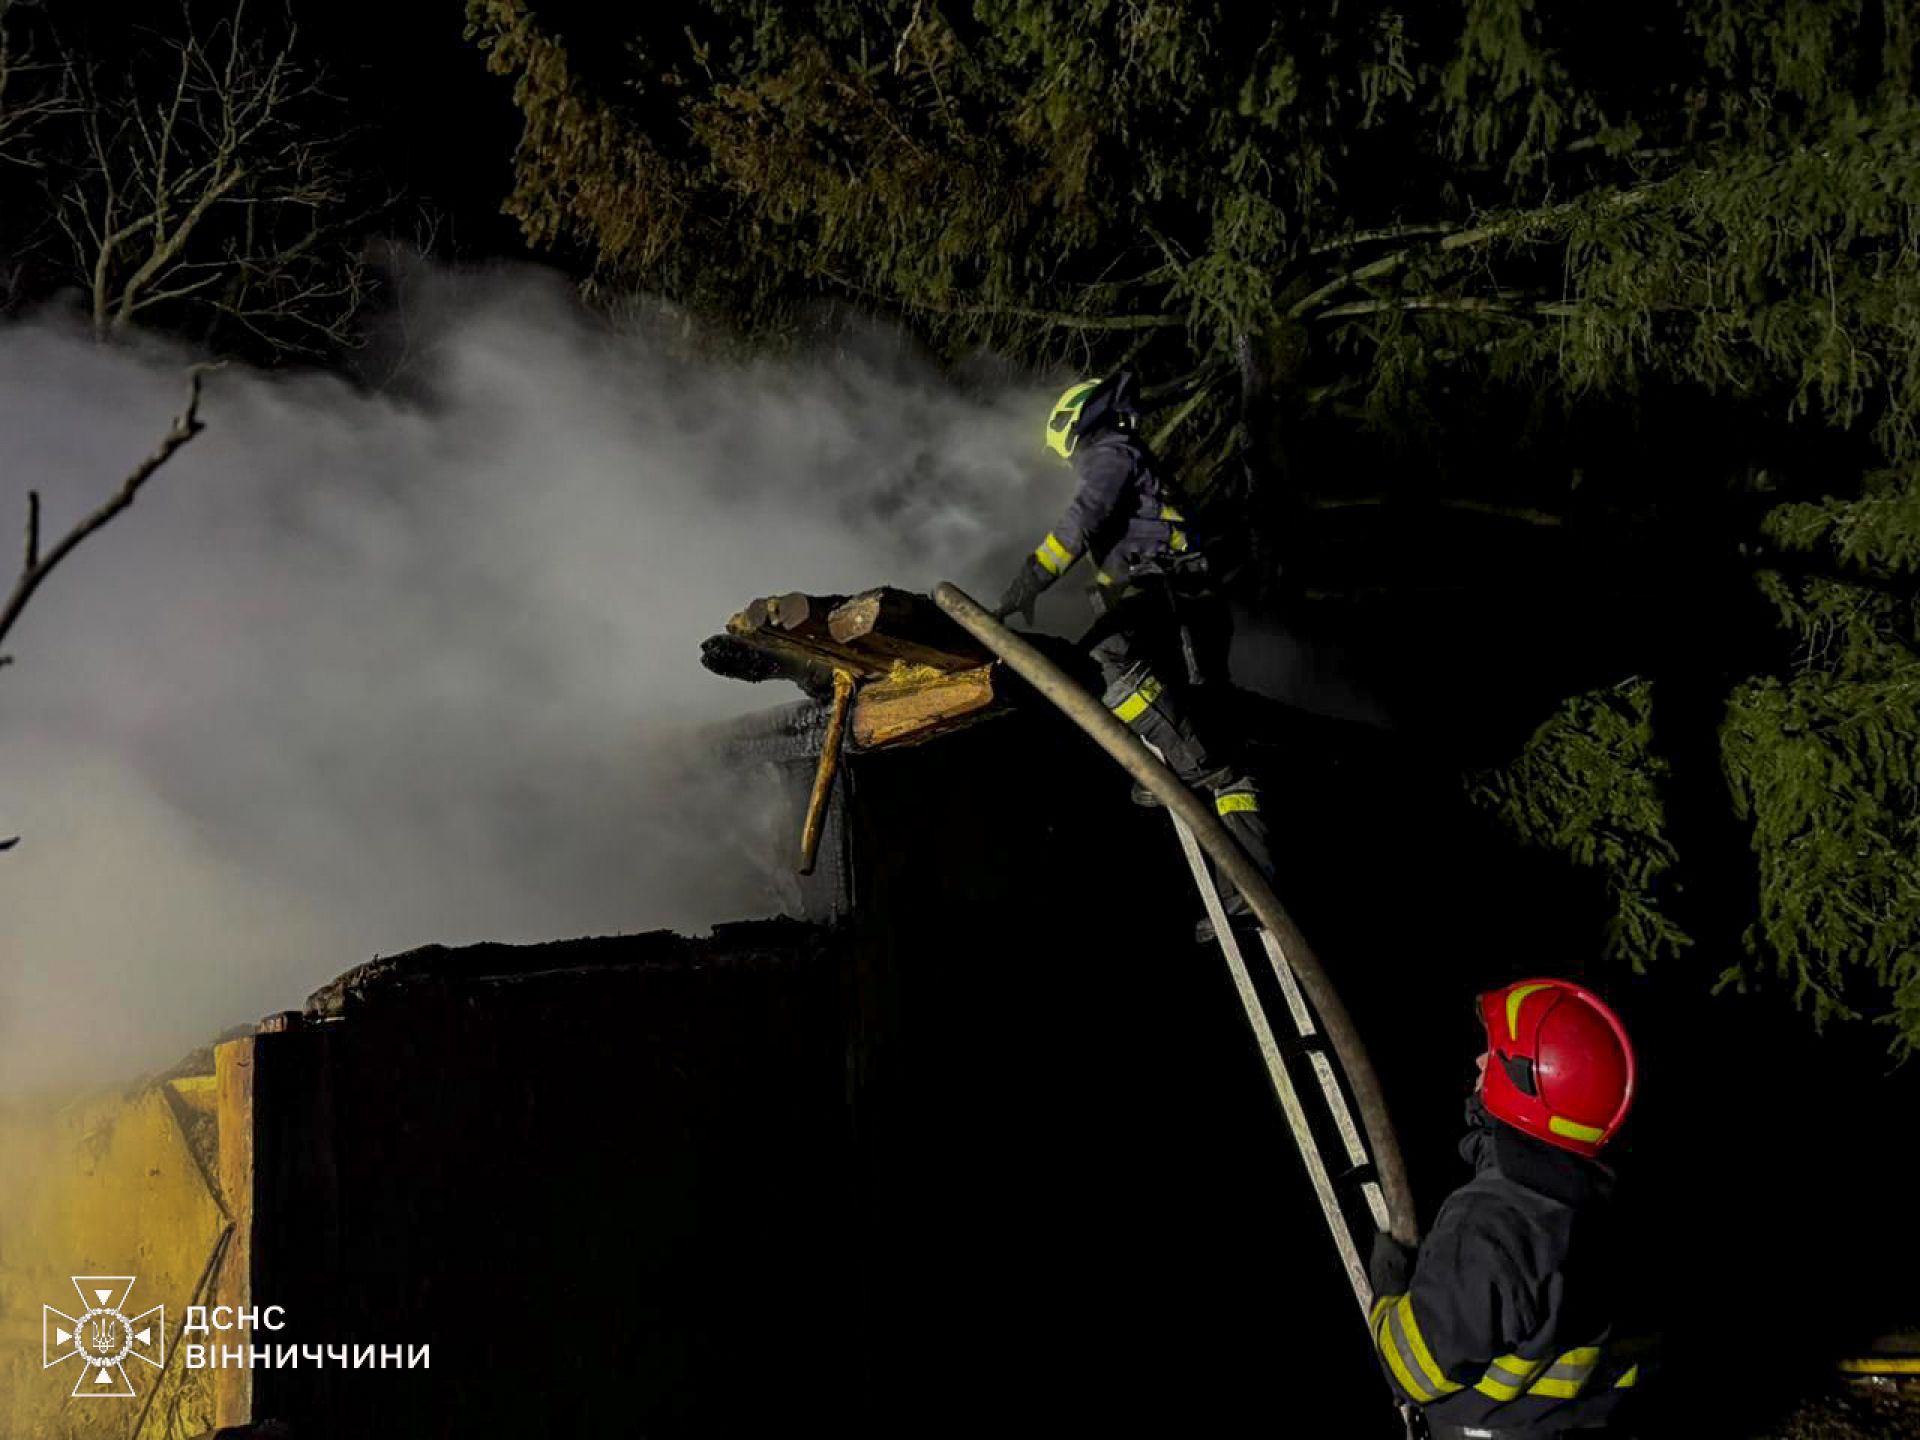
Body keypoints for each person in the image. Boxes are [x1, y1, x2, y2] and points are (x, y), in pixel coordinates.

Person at [992, 372, 1275, 942]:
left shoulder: (1111, 452)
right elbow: (1122, 546)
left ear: (1076, 424)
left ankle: (1182, 765)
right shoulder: (1128, 457)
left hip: (1174, 596)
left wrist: (1031, 579)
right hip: (1186, 600)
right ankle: (1247, 891)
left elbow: (1083, 519)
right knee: (1227, 762)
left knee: (1106, 659)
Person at [1369, 978, 1648, 1439]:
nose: (1479, 1061)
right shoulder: (1603, 1211)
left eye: (1494, 1053)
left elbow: (1409, 1371)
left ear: (1525, 1086)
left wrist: (1389, 1288)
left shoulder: (1491, 1226)